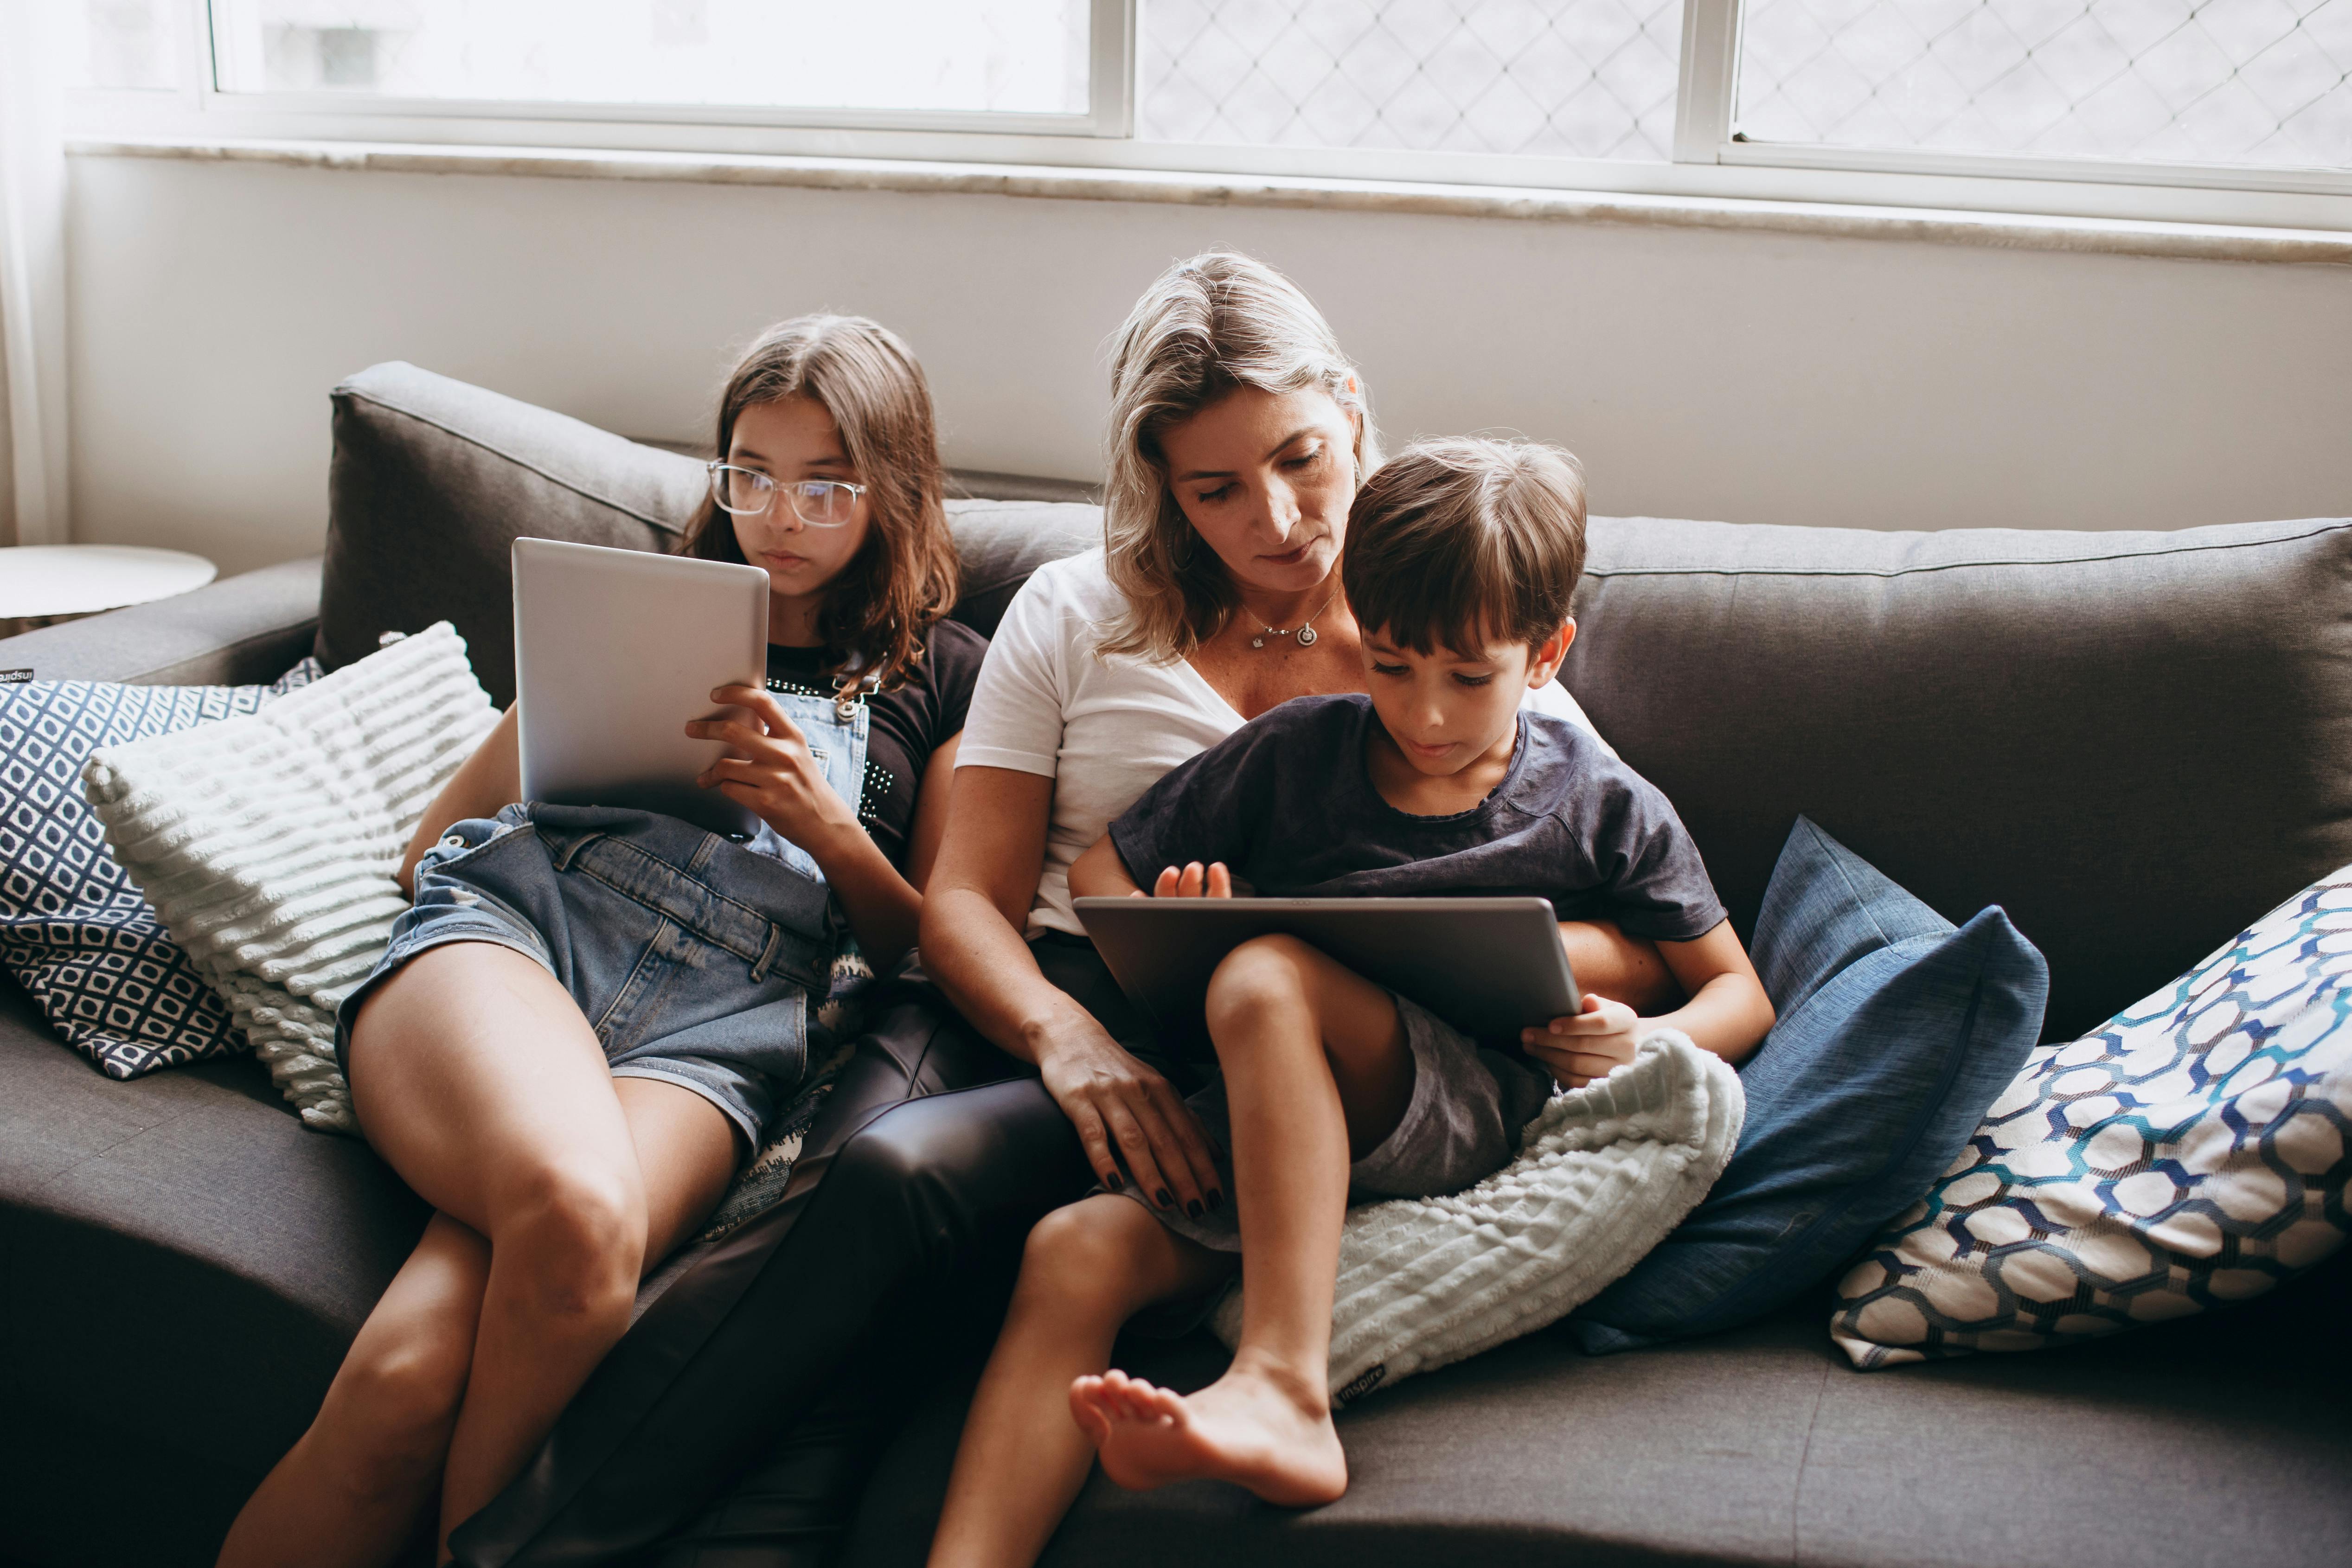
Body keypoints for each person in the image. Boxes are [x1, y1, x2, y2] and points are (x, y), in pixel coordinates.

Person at [437, 252, 1678, 1567]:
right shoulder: (1078, 610)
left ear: (1356, 415)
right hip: (1038, 1000)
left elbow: (1595, 882)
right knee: (889, 1174)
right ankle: (522, 1543)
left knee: (936, 1223)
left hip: (1276, 1053)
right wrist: (1063, 1039)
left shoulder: (1442, 613)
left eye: (1305, 458)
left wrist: (1565, 981)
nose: (1280, 515)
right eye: (1215, 488)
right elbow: (964, 901)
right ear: (1160, 487)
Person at [923, 438, 1776, 1567]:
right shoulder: (1292, 753)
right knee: (1072, 1250)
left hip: (1467, 1114)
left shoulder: (1593, 800)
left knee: (1266, 971)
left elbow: (1740, 993)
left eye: (1468, 677)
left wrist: (1640, 1037)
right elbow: (1098, 881)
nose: (1424, 713)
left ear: (1548, 651)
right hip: (1276, 1120)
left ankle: (1281, 1386)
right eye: (1389, 664)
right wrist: (1181, 909)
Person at [216, 314, 983, 1568]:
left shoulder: (944, 673)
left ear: (894, 487)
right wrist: (584, 692)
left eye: (827, 481)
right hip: (526, 939)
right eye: (752, 472)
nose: (781, 512)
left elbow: (935, 942)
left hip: (719, 1028)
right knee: (565, 1212)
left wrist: (828, 827)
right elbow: (433, 846)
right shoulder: (639, 605)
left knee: (413, 1368)